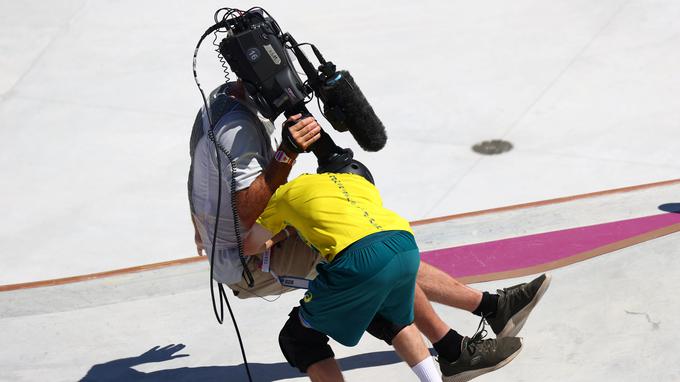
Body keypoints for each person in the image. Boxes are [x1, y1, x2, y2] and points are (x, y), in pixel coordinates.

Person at [187, 80, 551, 380]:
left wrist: (207, 221)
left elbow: (204, 178)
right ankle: (464, 338)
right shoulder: (244, 136)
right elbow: (244, 231)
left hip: (284, 239)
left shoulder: (218, 118)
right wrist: (286, 157)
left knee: (357, 283)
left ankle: (478, 322)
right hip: (250, 264)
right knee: (374, 273)